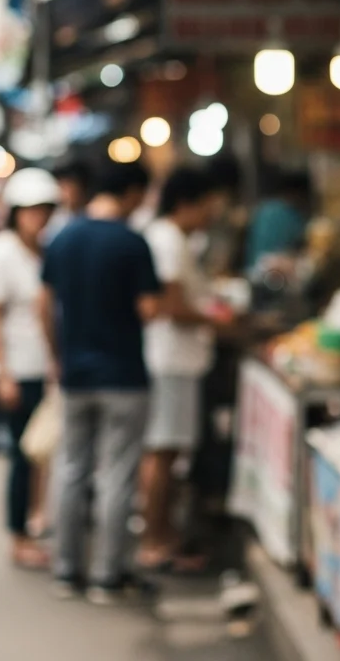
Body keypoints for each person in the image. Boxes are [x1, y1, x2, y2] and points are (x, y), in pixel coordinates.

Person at [40, 159, 162, 604]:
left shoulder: (63, 236)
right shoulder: (132, 243)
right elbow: (149, 309)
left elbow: (44, 302)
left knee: (70, 469)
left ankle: (66, 570)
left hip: (76, 373)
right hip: (124, 374)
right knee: (117, 475)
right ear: (131, 192)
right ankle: (108, 577)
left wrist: (56, 356)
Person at [138, 167, 228, 570]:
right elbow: (169, 306)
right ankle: (155, 541)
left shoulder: (172, 239)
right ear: (188, 203)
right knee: (163, 452)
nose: (214, 213)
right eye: (210, 205)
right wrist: (218, 321)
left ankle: (162, 534)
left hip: (175, 359)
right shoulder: (168, 241)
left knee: (166, 453)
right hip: (170, 360)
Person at [0, 168, 59, 570]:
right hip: (16, 368)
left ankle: (35, 514)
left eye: (44, 210)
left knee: (40, 450)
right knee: (21, 457)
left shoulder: (44, 251)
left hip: (44, 367)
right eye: (31, 210)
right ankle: (18, 534)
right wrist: (2, 372)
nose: (37, 217)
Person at [246, 170, 310, 272]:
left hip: (251, 269)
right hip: (273, 273)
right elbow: (302, 241)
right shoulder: (291, 214)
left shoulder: (263, 208)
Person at [43, 155, 92, 245]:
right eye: (61, 186)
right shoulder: (53, 218)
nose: (65, 193)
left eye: (69, 186)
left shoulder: (94, 214)